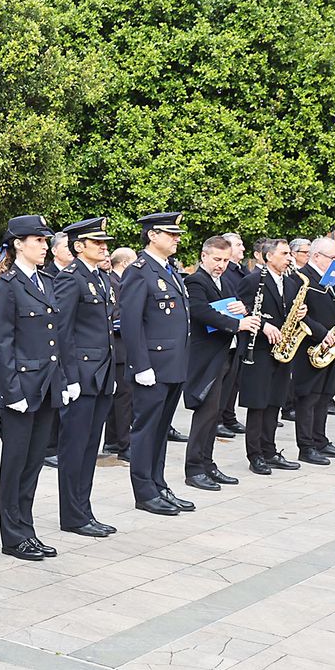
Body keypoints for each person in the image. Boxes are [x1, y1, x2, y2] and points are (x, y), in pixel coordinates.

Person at [0, 216, 70, 561]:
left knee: (34, 464)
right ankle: (12, 536)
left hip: (46, 386)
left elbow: (57, 339)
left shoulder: (46, 281)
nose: (44, 246)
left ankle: (27, 528)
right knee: (15, 466)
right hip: (22, 388)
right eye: (38, 240)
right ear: (18, 244)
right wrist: (12, 392)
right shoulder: (8, 285)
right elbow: (3, 343)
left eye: (45, 240)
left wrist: (63, 381)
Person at [122, 213, 195, 516]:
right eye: (170, 234)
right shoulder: (139, 270)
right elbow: (130, 322)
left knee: (161, 429)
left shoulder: (169, 269)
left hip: (173, 364)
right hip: (152, 365)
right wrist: (141, 366)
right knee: (145, 430)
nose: (176, 239)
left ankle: (158, 484)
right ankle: (144, 490)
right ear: (152, 235)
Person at [55, 217, 119, 537]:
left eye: (105, 243)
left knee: (90, 446)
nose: (104, 247)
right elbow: (62, 331)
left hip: (102, 375)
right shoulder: (71, 279)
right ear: (79, 247)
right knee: (75, 448)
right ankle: (73, 515)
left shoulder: (100, 278)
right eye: (97, 243)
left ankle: (84, 509)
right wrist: (69, 377)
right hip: (82, 374)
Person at [181, 236, 251, 492]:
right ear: (204, 257)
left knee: (216, 414)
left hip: (227, 354)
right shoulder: (195, 280)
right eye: (216, 259)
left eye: (225, 260)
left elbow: (231, 307)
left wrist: (242, 308)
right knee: (205, 414)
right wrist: (236, 323)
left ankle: (208, 463)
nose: (221, 265)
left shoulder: (224, 281)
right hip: (207, 358)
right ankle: (194, 469)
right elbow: (200, 311)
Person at [235, 239, 298, 474]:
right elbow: (242, 308)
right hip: (259, 350)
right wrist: (263, 325)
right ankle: (255, 455)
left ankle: (270, 450)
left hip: (282, 350)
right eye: (284, 253)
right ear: (268, 256)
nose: (289, 257)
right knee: (257, 404)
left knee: (274, 403)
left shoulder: (291, 284)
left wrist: (301, 311)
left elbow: (289, 311)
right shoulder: (252, 281)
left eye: (290, 253)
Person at [290, 237, 335, 465]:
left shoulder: (333, 277)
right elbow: (300, 313)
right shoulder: (302, 277)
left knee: (325, 395)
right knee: (309, 397)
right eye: (332, 258)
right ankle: (306, 446)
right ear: (316, 256)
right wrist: (321, 333)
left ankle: (320, 439)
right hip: (311, 345)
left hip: (332, 344)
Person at [103, 246, 136, 458]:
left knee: (120, 399)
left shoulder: (120, 282)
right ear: (124, 264)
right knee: (124, 399)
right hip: (119, 348)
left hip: (123, 348)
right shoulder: (113, 283)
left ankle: (114, 440)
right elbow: (115, 317)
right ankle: (124, 445)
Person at [215, 232, 248, 435]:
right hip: (226, 330)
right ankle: (219, 418)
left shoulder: (239, 271)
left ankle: (228, 415)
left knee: (233, 379)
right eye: (238, 244)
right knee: (223, 379)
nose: (242, 248)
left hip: (238, 328)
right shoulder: (225, 273)